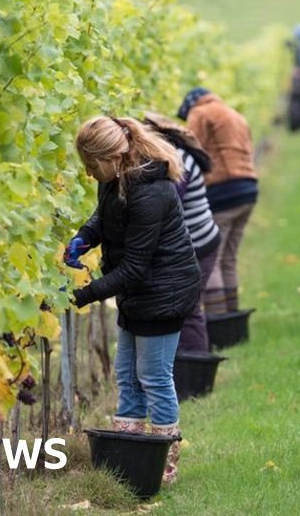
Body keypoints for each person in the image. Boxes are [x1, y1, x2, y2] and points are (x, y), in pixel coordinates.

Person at [65, 115, 201, 484]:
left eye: (93, 166)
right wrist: (84, 237)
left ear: (113, 157)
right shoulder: (115, 179)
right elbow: (103, 217)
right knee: (127, 375)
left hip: (163, 291)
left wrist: (82, 295)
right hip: (138, 293)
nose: (90, 174)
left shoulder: (151, 192)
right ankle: (129, 453)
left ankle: (162, 465)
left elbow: (136, 268)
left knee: (154, 377)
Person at [144, 111, 220, 354]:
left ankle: (196, 372)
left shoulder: (178, 160)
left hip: (199, 246)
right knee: (184, 308)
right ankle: (187, 370)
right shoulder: (171, 157)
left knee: (188, 308)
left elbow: (168, 207)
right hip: (194, 244)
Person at [178, 88, 258, 315]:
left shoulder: (200, 113)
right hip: (248, 190)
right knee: (229, 257)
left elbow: (190, 150)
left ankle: (218, 320)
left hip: (223, 190)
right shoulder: (235, 115)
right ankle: (232, 314)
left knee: (212, 256)